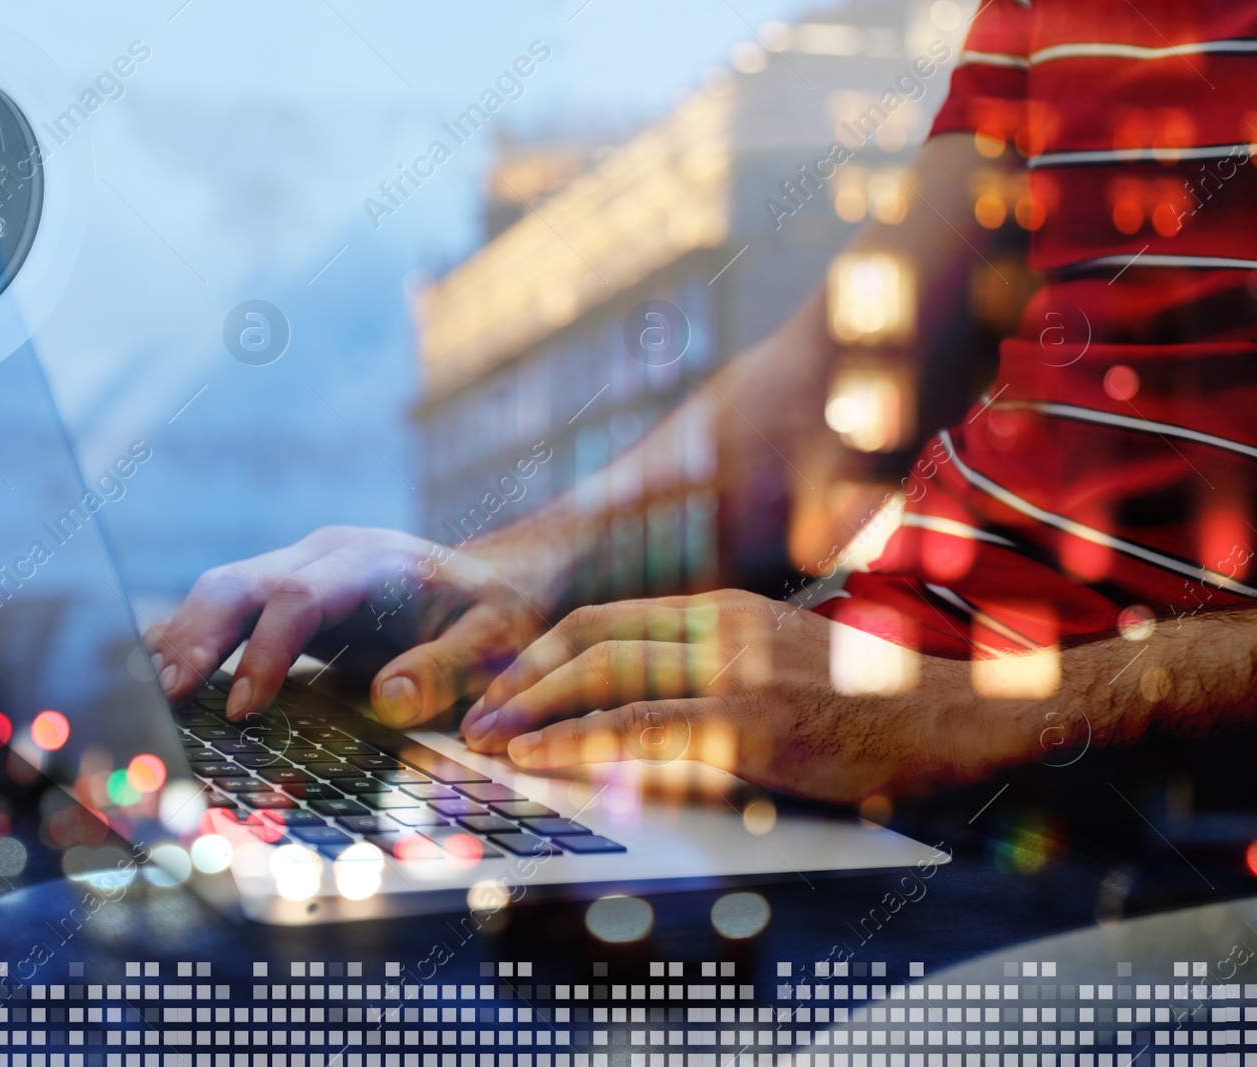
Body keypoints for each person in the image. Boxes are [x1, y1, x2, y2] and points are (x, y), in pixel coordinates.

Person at [147, 0, 1257, 804]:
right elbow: (838, 383)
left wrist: (970, 716)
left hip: (1129, 834)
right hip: (838, 750)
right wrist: (517, 563)